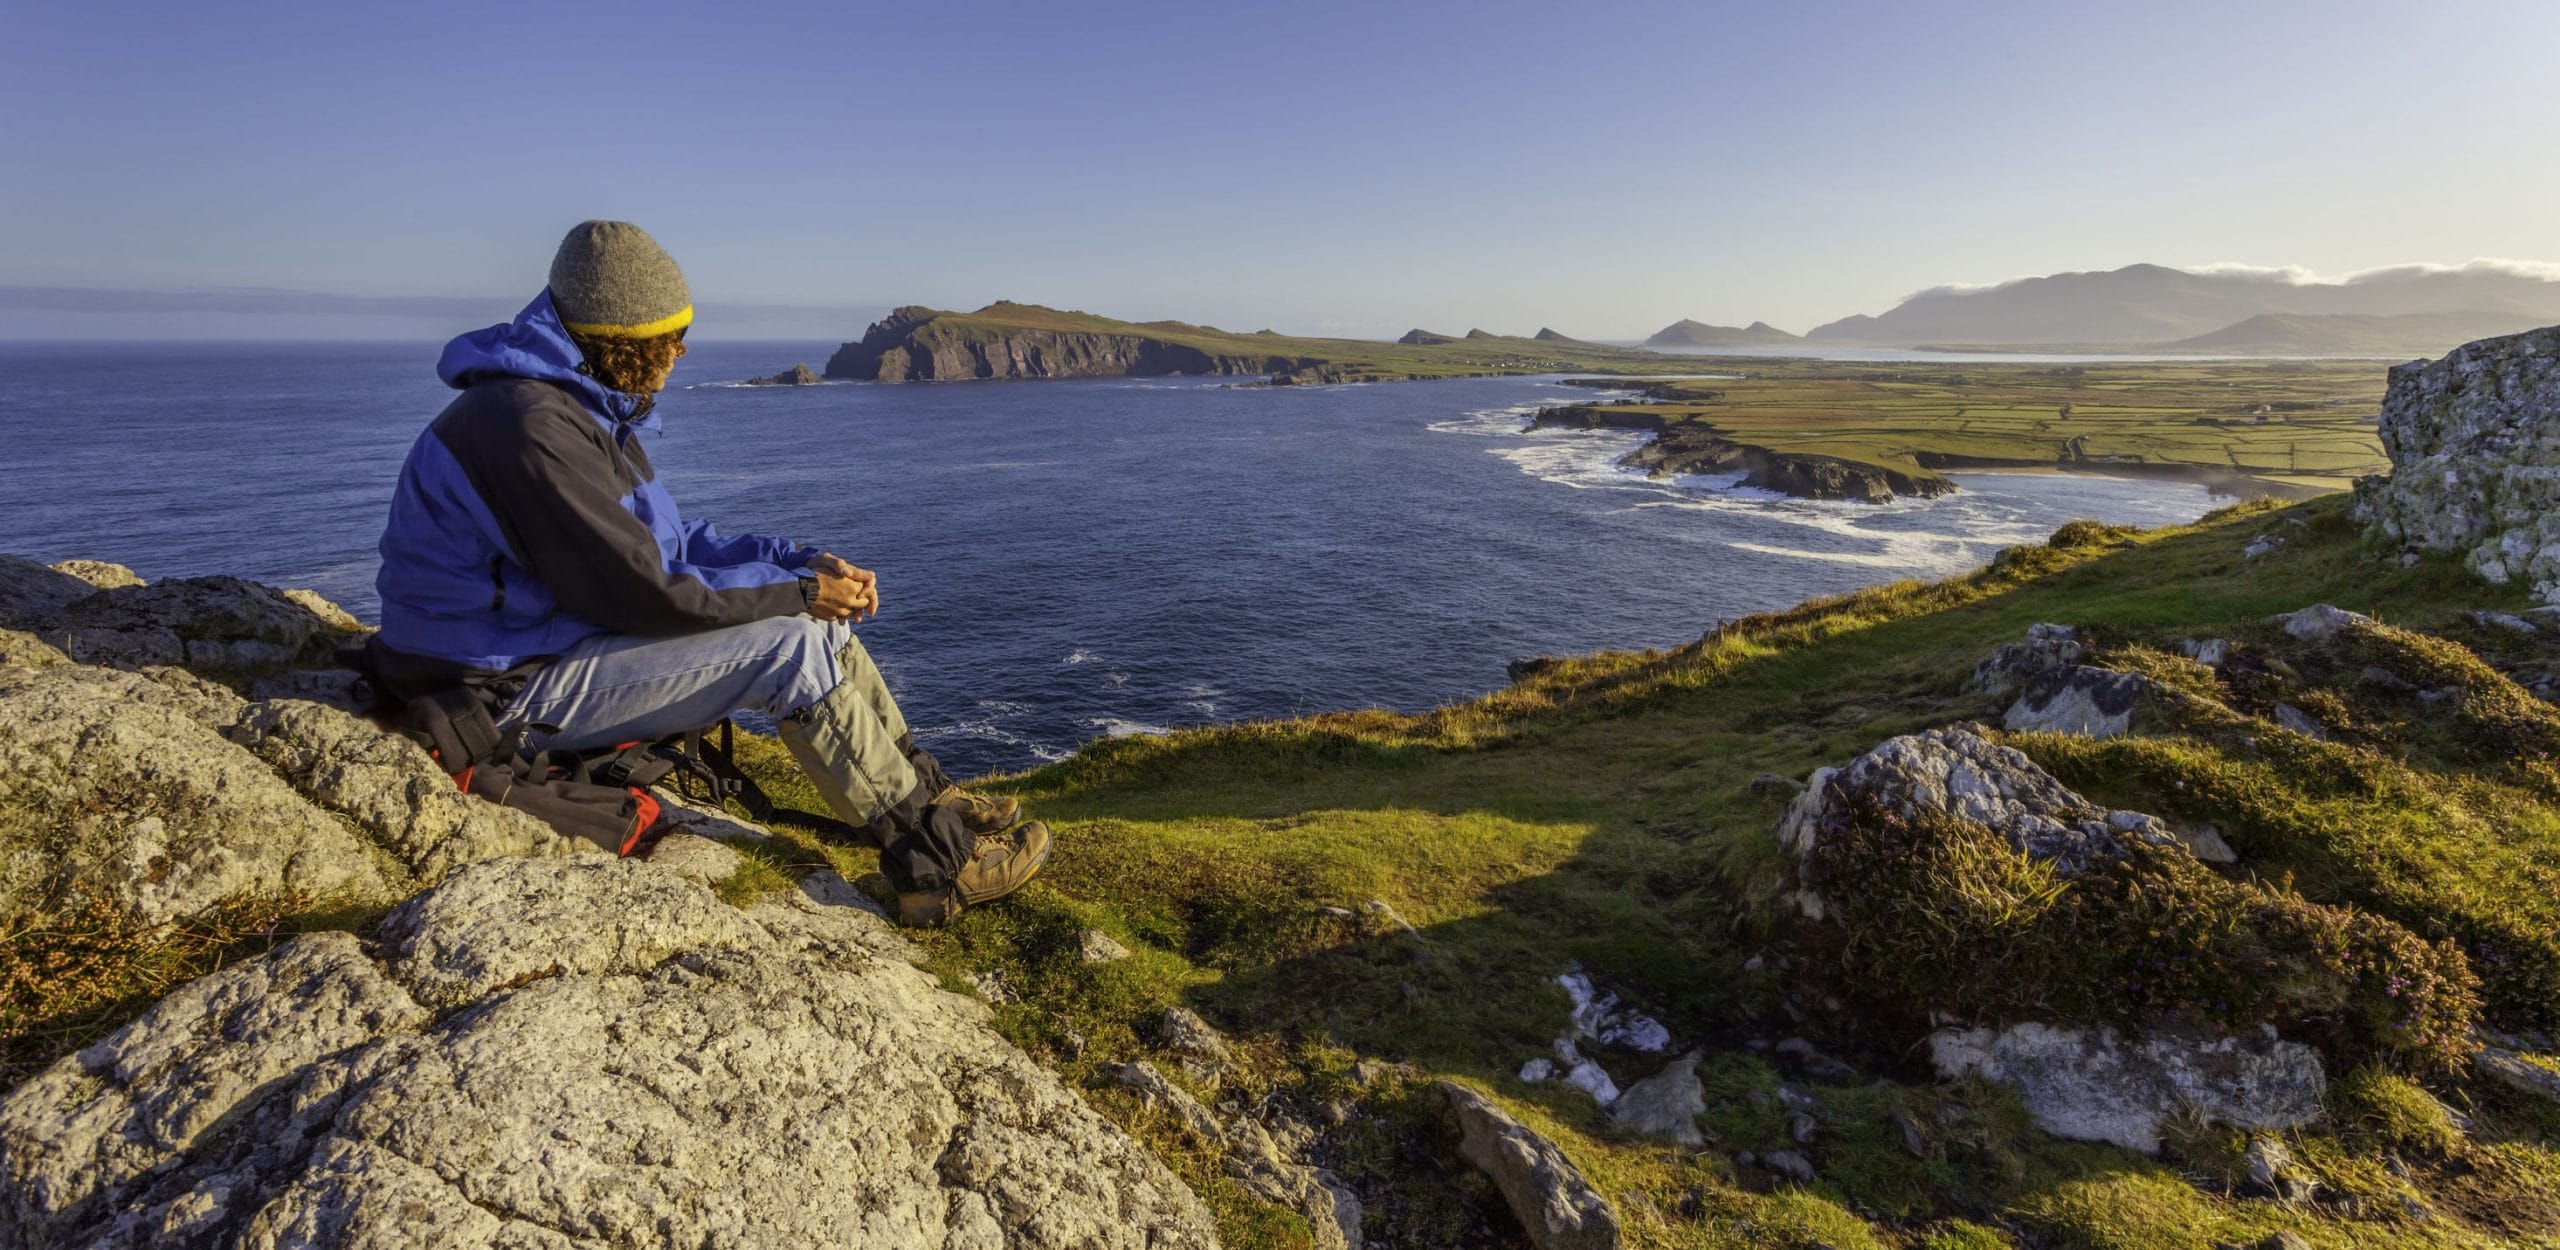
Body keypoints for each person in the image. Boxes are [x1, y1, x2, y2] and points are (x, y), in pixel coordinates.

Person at [371, 220, 1048, 926]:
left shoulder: (570, 408)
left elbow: (669, 542)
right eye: (670, 336)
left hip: (542, 650)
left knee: (821, 628)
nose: (682, 350)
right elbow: (645, 591)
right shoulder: (531, 429)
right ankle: (937, 872)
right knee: (791, 647)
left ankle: (932, 803)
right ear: (618, 338)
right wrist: (802, 595)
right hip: (495, 693)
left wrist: (799, 563)